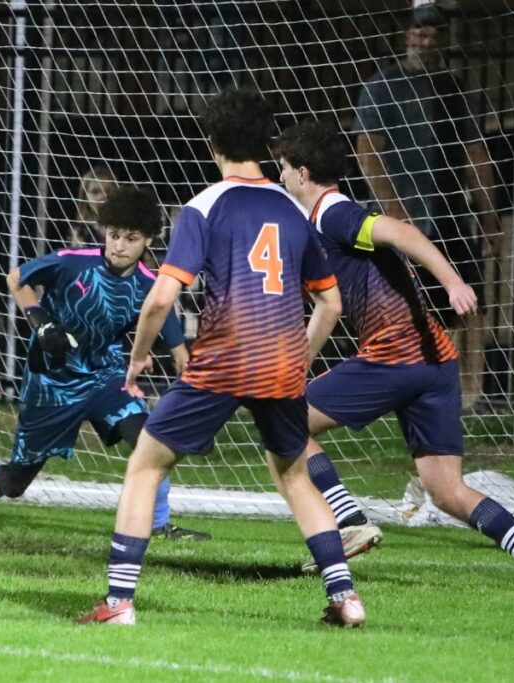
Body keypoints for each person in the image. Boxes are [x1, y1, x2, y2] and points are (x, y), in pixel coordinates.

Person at [79, 88, 366, 628]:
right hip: (281, 363)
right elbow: (330, 302)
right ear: (264, 143)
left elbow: (161, 298)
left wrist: (138, 359)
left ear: (211, 142)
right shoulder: (294, 210)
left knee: (146, 463)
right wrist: (298, 359)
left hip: (225, 359)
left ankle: (118, 602)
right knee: (295, 474)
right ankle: (345, 597)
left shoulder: (203, 206)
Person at [273, 119, 514, 591]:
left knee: (286, 419)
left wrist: (453, 281)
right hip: (436, 360)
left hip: (397, 353)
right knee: (446, 490)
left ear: (304, 173)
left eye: (284, 169)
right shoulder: (317, 225)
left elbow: (404, 233)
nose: (281, 178)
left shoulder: (333, 212)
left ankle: (348, 520)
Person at [0, 187, 209, 542]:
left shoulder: (149, 285)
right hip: (51, 381)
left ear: (149, 239)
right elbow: (16, 279)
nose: (119, 246)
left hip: (105, 375)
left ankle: (161, 526)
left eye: (131, 238)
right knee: (17, 480)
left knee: (150, 441)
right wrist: (41, 321)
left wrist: (187, 375)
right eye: (114, 235)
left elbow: (169, 329)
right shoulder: (72, 261)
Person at [352, 4, 503, 409]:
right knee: (401, 307)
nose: (425, 41)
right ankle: (402, 390)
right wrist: (396, 212)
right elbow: (368, 152)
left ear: (443, 41)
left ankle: (469, 394)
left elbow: (476, 155)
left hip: (449, 212)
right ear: (407, 37)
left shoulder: (455, 90)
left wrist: (490, 218)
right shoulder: (383, 86)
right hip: (398, 218)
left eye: (434, 35)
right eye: (419, 33)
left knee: (468, 305)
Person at [64, 166, 118, 247]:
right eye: (95, 192)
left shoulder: (126, 226)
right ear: (85, 196)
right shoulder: (79, 230)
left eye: (108, 191)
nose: (102, 197)